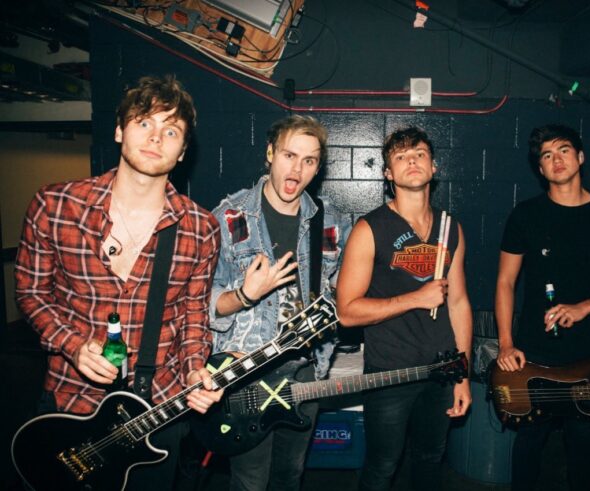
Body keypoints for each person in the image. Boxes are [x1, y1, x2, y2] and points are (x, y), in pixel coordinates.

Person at [15, 75, 223, 490]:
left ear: (183, 151)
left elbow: (193, 315)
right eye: (144, 122)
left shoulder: (201, 228)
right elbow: (32, 293)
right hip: (71, 401)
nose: (156, 137)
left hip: (157, 409)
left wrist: (195, 371)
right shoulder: (56, 205)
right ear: (118, 131)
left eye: (171, 130)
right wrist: (73, 345)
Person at [495, 123, 590, 491]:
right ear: (540, 168)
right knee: (529, 442)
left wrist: (585, 307)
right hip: (536, 354)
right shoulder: (525, 215)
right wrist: (506, 344)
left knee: (583, 445)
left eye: (563, 150)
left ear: (580, 157)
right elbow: (505, 282)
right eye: (546, 155)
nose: (556, 159)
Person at [208, 114, 351, 491]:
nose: (298, 169)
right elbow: (203, 303)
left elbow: (342, 291)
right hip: (246, 372)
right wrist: (244, 295)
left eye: (310, 160)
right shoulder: (230, 217)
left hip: (306, 370)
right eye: (289, 155)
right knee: (250, 481)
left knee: (290, 474)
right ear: (270, 153)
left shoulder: (330, 222)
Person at [336, 126, 473, 491]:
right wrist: (416, 298)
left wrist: (463, 375)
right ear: (388, 173)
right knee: (382, 466)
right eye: (401, 157)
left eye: (419, 154)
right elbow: (346, 311)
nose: (412, 161)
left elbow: (459, 303)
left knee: (430, 459)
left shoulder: (451, 227)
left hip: (443, 370)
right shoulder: (369, 228)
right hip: (390, 372)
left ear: (434, 167)